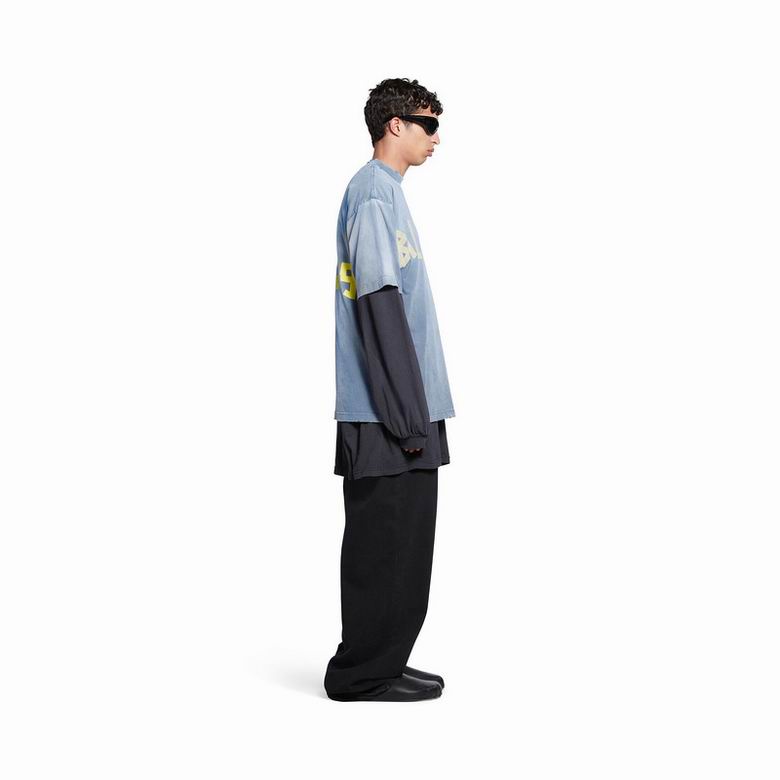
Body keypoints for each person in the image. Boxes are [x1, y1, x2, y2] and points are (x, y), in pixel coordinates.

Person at [324, 78, 456, 702]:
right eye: (429, 125)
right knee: (384, 548)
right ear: (394, 125)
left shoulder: (388, 195)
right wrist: (406, 419)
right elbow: (380, 307)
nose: (437, 138)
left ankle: (385, 660)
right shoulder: (373, 194)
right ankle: (360, 675)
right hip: (387, 416)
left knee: (407, 548)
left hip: (407, 408)